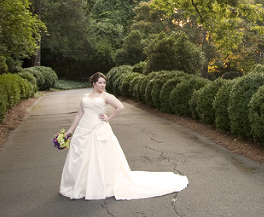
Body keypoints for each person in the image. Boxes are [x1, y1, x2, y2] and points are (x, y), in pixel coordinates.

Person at [59, 72, 188, 200]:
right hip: (83, 129)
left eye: (104, 83)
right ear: (94, 83)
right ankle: (82, 185)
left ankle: (98, 184)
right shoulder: (85, 97)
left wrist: (108, 118)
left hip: (99, 128)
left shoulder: (106, 96)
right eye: (100, 83)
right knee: (82, 156)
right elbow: (79, 114)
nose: (103, 85)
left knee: (98, 157)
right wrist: (69, 131)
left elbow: (120, 107)